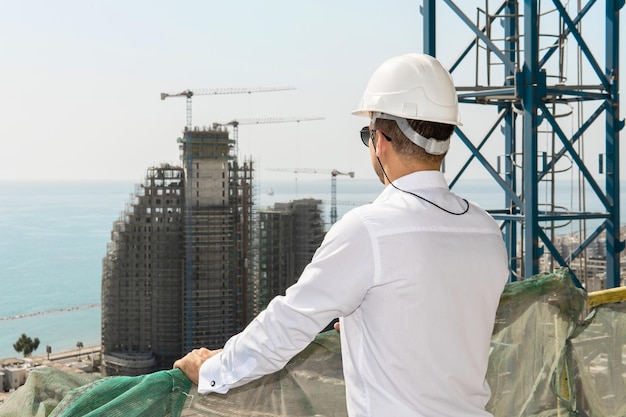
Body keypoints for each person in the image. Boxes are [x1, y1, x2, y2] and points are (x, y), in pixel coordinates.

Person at [174, 53, 509, 417]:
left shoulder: (370, 229)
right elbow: (442, 318)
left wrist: (210, 369)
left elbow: (287, 325)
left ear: (379, 141)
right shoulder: (485, 228)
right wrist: (369, 324)